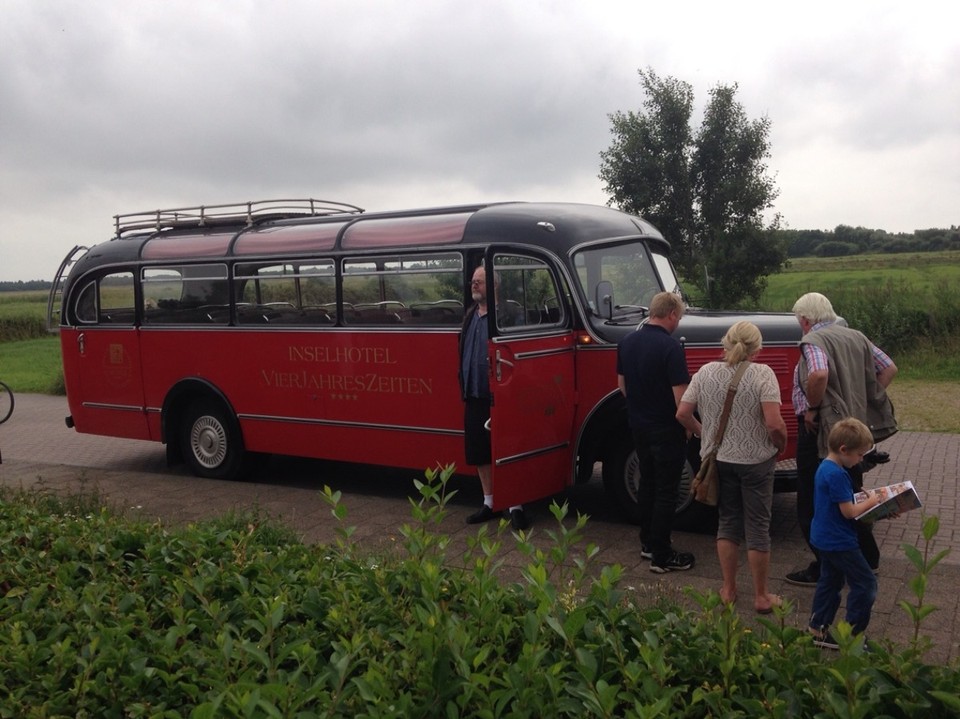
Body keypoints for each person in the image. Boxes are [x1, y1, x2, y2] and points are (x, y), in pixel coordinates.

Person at [786, 292, 897, 587]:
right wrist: (867, 398)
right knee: (852, 493)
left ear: (806, 319)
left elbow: (819, 373)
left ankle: (824, 567)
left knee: (811, 500)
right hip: (855, 427)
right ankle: (868, 560)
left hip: (822, 431)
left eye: (800, 321)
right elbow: (889, 367)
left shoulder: (813, 341)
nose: (801, 325)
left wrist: (812, 408)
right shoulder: (856, 336)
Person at [676, 321, 788, 612]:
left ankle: (728, 589)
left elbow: (683, 413)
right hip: (756, 462)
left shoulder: (705, 371)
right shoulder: (764, 374)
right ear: (758, 347)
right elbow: (774, 423)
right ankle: (762, 596)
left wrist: (705, 435)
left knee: (727, 523)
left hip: (719, 461)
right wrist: (781, 444)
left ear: (725, 343)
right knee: (758, 527)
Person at [616, 291, 694, 573]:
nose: (679, 323)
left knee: (646, 485)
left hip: (638, 427)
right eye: (679, 317)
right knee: (666, 491)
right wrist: (695, 429)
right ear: (671, 314)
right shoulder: (671, 348)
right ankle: (662, 555)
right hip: (666, 429)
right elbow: (681, 401)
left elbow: (622, 387)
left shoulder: (626, 342)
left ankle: (647, 543)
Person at [459, 265, 529, 531]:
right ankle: (489, 502)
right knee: (479, 452)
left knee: (508, 450)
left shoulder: (509, 314)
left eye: (479, 281)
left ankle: (515, 506)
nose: (474, 285)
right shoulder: (469, 317)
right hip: (474, 394)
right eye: (473, 281)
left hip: (502, 395)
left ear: (494, 285)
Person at [808, 418, 884, 649]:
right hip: (839, 541)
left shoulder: (826, 467)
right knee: (865, 584)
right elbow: (849, 512)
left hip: (823, 537)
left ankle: (817, 629)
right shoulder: (838, 474)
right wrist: (872, 501)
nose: (861, 460)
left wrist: (866, 499)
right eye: (860, 455)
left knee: (830, 581)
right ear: (844, 450)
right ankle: (851, 636)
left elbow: (841, 500)